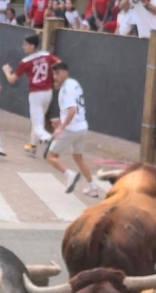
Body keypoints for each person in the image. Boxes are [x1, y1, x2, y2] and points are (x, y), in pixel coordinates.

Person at [47, 62, 99, 198]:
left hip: (71, 129)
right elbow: (74, 110)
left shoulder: (65, 89)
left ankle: (70, 175)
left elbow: (72, 110)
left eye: (57, 73)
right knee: (78, 157)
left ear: (65, 72)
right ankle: (92, 187)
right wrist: (61, 120)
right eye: (54, 73)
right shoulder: (74, 83)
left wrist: (60, 127)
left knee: (51, 156)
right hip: (82, 127)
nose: (55, 76)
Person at [3, 34, 59, 158]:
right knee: (39, 120)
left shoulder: (25, 62)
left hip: (36, 94)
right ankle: (32, 146)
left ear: (32, 46)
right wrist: (55, 78)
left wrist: (6, 71)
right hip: (48, 92)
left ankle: (49, 138)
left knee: (37, 122)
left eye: (26, 44)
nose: (24, 46)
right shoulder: (47, 55)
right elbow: (59, 63)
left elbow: (12, 79)